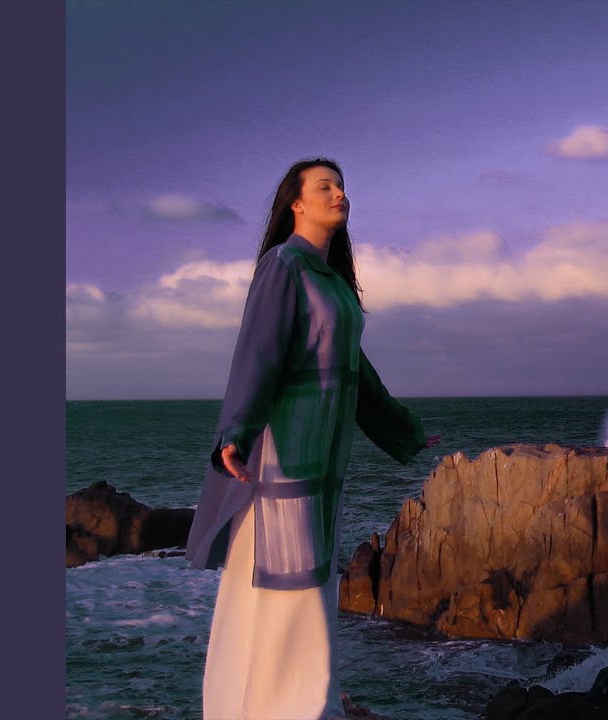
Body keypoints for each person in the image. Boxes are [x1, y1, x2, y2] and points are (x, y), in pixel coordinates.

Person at [185, 157, 441, 720]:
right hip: (285, 456)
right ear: (296, 203)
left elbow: (356, 372)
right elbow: (258, 353)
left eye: (342, 186)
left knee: (307, 583)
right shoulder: (283, 264)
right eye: (324, 186)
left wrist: (402, 428)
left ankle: (274, 706)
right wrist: (236, 433)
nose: (338, 193)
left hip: (326, 464)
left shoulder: (336, 284)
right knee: (285, 583)